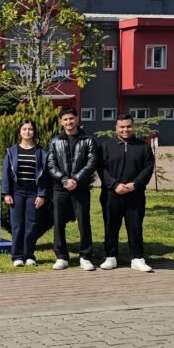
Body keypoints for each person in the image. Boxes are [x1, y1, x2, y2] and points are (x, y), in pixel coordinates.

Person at [98, 114, 156, 272]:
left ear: (133, 127)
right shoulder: (105, 146)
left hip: (135, 195)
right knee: (110, 226)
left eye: (128, 126)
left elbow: (148, 167)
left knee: (135, 227)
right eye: (122, 127)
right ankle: (111, 257)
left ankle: (137, 258)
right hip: (112, 194)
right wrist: (115, 185)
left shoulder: (143, 146)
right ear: (116, 128)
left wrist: (135, 185)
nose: (125, 130)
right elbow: (101, 169)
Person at [46, 107, 100, 271]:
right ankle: (61, 256)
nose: (68, 122)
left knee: (83, 221)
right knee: (58, 222)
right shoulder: (55, 141)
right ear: (61, 122)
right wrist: (63, 179)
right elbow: (51, 163)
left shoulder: (88, 140)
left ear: (77, 119)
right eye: (65, 119)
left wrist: (76, 179)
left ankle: (85, 256)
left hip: (80, 187)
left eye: (71, 118)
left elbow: (91, 162)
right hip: (60, 188)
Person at [1, 119, 49, 267]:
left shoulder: (41, 152)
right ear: (19, 132)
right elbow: (6, 174)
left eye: (30, 129)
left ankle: (29, 255)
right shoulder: (11, 151)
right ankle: (17, 256)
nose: (27, 132)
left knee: (32, 225)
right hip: (17, 193)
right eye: (24, 129)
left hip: (33, 194)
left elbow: (45, 176)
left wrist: (42, 194)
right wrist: (6, 193)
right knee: (17, 225)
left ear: (34, 132)